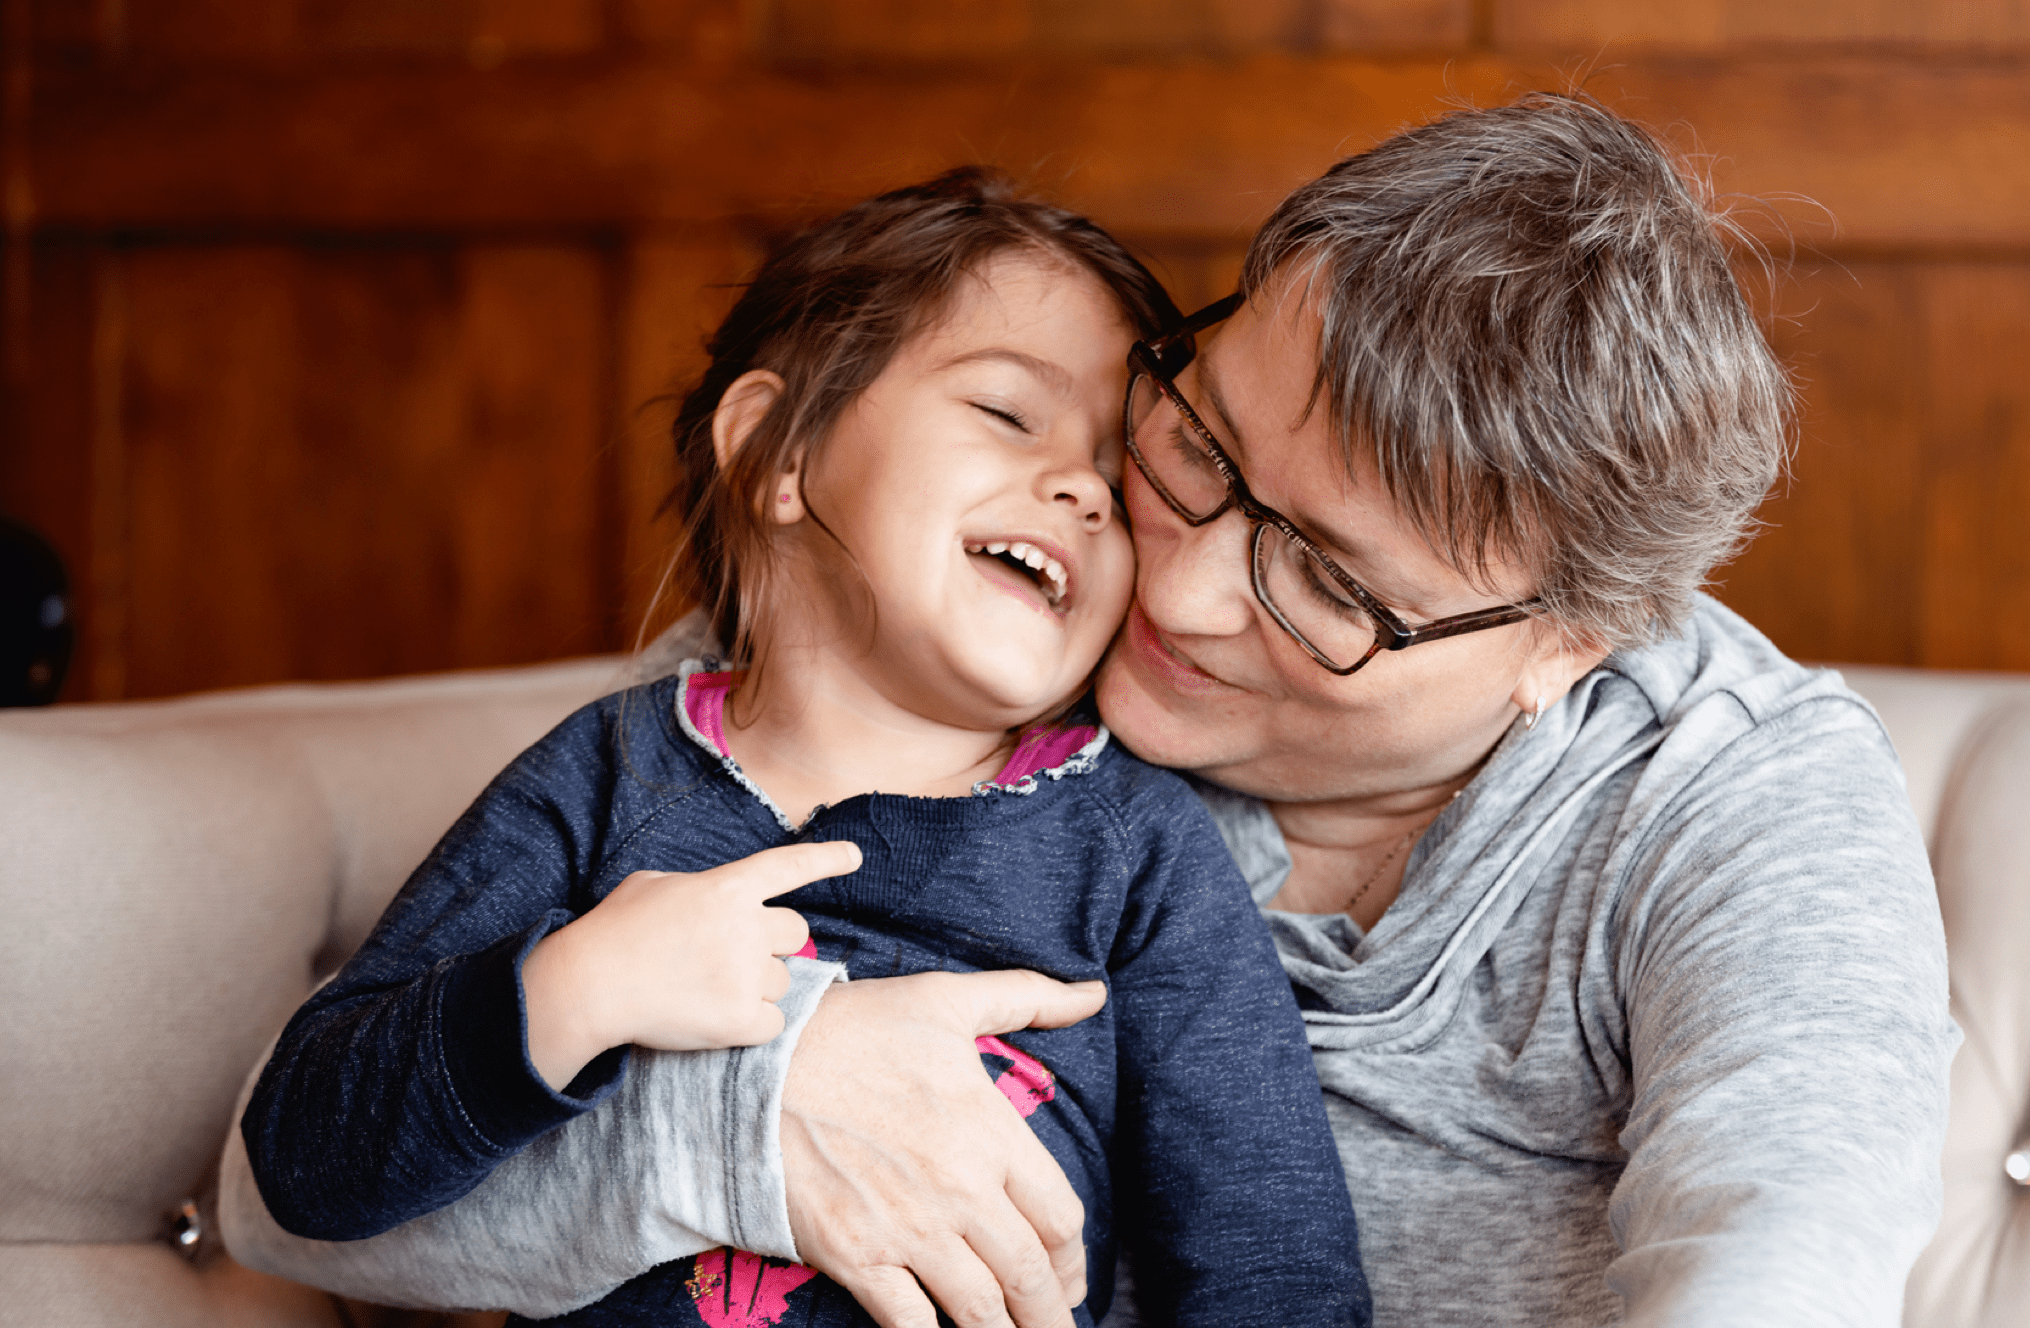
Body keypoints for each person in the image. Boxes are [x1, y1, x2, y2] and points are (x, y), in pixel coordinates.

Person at [223, 94, 1955, 1327]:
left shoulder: (1727, 797)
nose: (1177, 585)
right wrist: (748, 1120)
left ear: (1566, 644)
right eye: (1199, 446)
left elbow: (1772, 1257)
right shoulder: (933, 658)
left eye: (1330, 586)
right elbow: (287, 1194)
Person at [233, 169, 1370, 1328]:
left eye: (1112, 475)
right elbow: (306, 1158)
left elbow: (1273, 1267)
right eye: (1006, 412)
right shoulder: (607, 778)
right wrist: (573, 986)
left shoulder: (1133, 848)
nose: (1082, 487)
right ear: (775, 450)